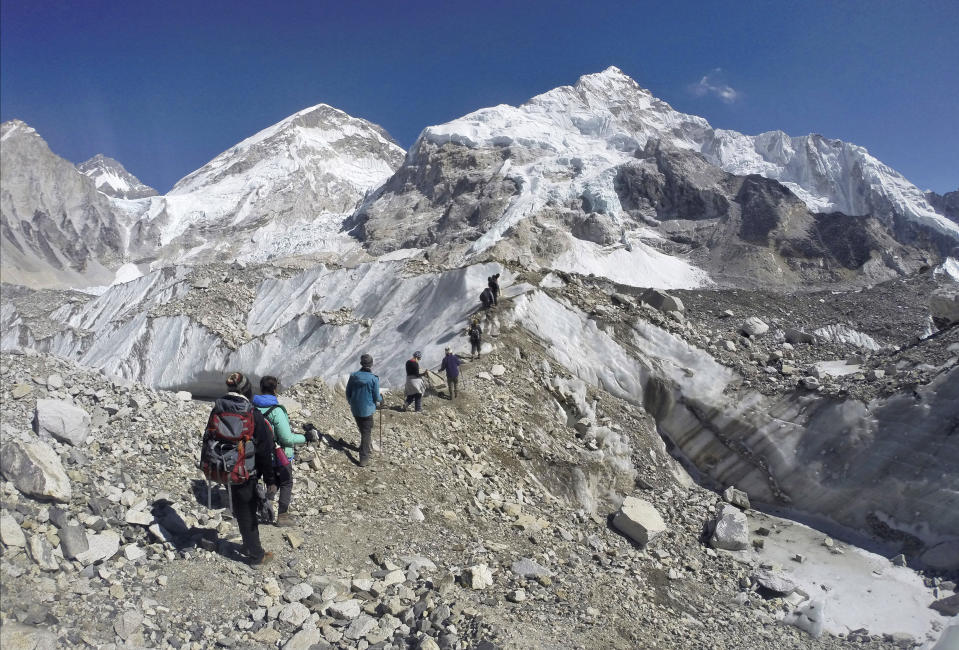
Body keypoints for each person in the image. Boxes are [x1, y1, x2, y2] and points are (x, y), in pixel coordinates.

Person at [214, 372, 277, 565]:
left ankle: (249, 545)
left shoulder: (218, 409)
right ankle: (256, 555)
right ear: (247, 390)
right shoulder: (252, 413)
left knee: (241, 507)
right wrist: (270, 479)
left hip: (225, 466)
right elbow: (265, 449)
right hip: (246, 469)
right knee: (248, 509)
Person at [253, 375, 317, 526]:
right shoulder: (276, 411)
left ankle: (265, 507)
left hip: (259, 455)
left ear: (261, 388)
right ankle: (282, 516)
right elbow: (286, 438)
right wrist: (305, 438)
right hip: (278, 454)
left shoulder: (252, 408)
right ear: (275, 390)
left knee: (271, 480)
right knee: (286, 482)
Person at [345, 354, 383, 467]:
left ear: (361, 363)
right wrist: (381, 399)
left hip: (355, 408)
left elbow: (348, 392)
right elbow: (376, 397)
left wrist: (352, 402)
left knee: (363, 429)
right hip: (367, 409)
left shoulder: (353, 376)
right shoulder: (373, 378)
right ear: (371, 364)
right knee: (367, 432)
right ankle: (364, 457)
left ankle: (365, 446)